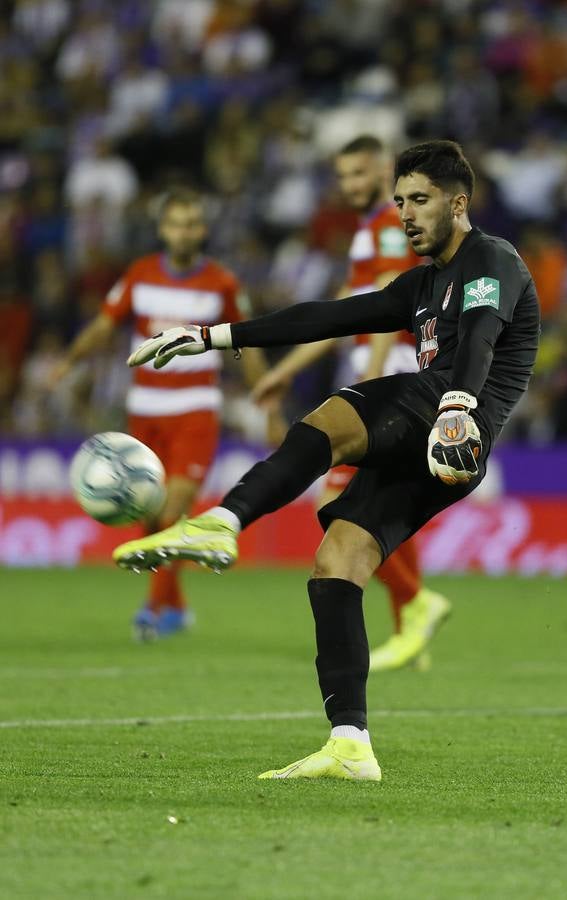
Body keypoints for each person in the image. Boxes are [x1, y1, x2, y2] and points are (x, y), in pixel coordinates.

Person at [113, 141, 540, 781]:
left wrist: (456, 402)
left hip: (448, 417)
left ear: (459, 202)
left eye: (419, 200)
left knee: (332, 419)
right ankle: (350, 743)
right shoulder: (421, 284)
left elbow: (480, 333)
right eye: (399, 202)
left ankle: (225, 520)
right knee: (337, 561)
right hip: (444, 444)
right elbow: (328, 317)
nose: (406, 214)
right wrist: (209, 337)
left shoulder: (491, 260)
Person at [253, 134, 450, 672]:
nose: (352, 186)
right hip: (386, 373)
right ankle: (411, 625)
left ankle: (416, 602)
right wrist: (286, 370)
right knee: (378, 501)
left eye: (361, 174)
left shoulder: (391, 226)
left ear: (385, 172)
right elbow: (345, 311)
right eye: (343, 176)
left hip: (396, 374)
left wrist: (369, 377)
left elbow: (388, 293)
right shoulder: (369, 230)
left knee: (340, 501)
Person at [55, 187, 274, 639]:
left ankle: (154, 608)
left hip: (194, 410)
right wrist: (70, 361)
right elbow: (103, 325)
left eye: (192, 223)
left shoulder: (223, 283)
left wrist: (267, 402)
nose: (184, 231)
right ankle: (174, 606)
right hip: (145, 412)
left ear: (203, 230)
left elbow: (246, 343)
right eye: (176, 223)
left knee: (172, 508)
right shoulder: (139, 274)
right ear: (163, 229)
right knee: (149, 513)